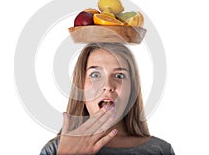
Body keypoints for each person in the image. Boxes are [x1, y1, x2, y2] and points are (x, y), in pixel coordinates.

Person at [40, 43, 175, 155]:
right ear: (81, 87)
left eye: (119, 76)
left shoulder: (161, 150)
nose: (108, 86)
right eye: (95, 74)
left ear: (132, 90)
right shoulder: (55, 150)